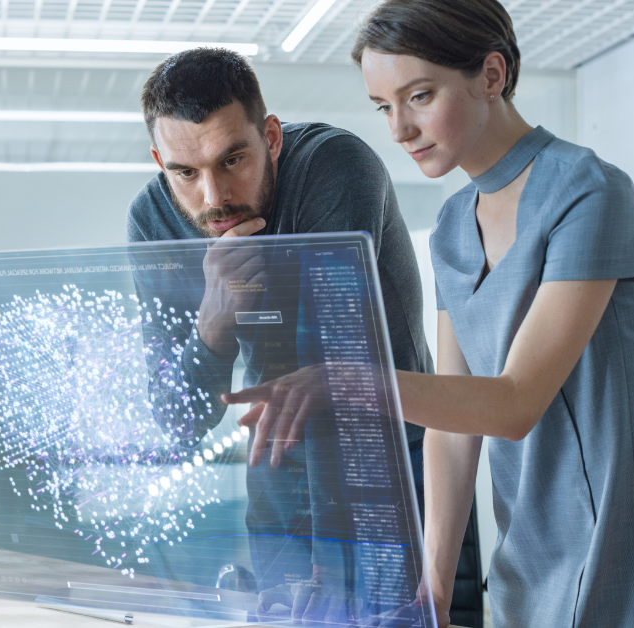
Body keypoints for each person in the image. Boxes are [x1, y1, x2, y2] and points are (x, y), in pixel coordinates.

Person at [225, 1, 634, 626]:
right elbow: (452, 423)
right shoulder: (451, 229)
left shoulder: (589, 192)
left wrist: (347, 381)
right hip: (529, 558)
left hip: (632, 553)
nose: (399, 130)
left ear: (491, 76)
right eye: (384, 106)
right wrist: (433, 589)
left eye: (419, 95)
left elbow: (514, 403)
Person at [125, 47, 483, 624]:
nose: (213, 197)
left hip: (386, 455)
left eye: (232, 159)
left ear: (271, 136)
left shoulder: (333, 167)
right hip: (277, 464)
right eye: (184, 173)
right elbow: (173, 421)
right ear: (159, 159)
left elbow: (338, 372)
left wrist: (330, 565)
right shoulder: (153, 220)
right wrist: (213, 326)